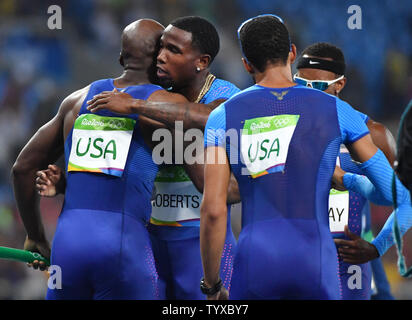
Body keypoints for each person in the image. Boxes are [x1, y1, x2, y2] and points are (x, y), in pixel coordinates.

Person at [37, 16, 241, 300]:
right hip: (148, 241)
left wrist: (138, 105)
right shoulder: (156, 92)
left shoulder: (224, 94)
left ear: (202, 62)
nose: (161, 57)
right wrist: (69, 183)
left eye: (173, 50)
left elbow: (214, 120)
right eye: (160, 48)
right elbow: (121, 166)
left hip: (198, 243)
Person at [200, 14, 398, 300]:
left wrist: (213, 284)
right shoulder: (339, 111)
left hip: (256, 260)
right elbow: (392, 192)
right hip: (316, 261)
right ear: (292, 53)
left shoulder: (222, 117)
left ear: (246, 64)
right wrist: (347, 180)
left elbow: (214, 210)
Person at [11, 19, 196, 299]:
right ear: (160, 57)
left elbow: (23, 168)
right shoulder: (166, 105)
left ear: (122, 57)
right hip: (123, 244)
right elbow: (208, 130)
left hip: (68, 245)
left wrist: (35, 235)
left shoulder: (76, 101)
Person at [294, 42, 395, 299]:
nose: (308, 93)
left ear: (339, 84)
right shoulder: (283, 127)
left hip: (346, 267)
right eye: (300, 84)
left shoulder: (375, 134)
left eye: (317, 87)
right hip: (294, 260)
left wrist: (376, 248)